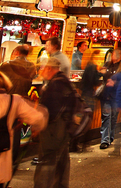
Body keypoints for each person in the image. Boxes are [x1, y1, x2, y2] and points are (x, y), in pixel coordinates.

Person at [35, 59, 76, 188]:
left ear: (49, 68)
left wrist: (38, 125)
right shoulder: (64, 82)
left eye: (43, 68)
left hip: (54, 130)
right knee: (62, 163)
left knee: (47, 162)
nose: (41, 71)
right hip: (64, 128)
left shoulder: (56, 85)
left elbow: (50, 111)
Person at [99, 47, 121, 149]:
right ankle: (105, 140)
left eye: (116, 54)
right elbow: (101, 76)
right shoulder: (107, 65)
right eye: (113, 54)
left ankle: (110, 137)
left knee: (113, 117)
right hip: (106, 94)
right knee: (106, 116)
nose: (114, 56)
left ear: (120, 56)